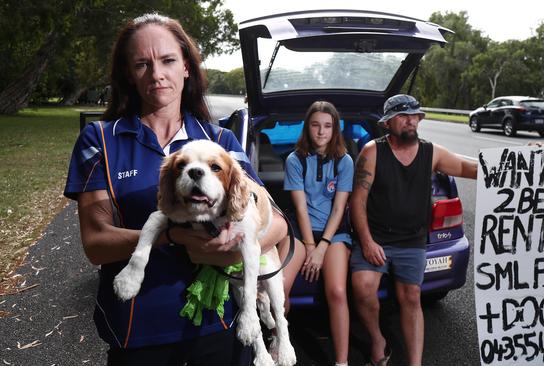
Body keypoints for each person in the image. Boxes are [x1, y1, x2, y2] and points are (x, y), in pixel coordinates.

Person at [64, 13, 287, 366]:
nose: (156, 74)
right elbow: (95, 244)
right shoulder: (101, 141)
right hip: (139, 329)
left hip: (221, 323)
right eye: (142, 64)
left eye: (168, 60)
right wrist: (174, 235)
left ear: (186, 66)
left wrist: (236, 248)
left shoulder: (221, 142)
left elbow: (275, 222)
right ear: (128, 73)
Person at [349, 94, 478, 366]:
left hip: (412, 240)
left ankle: (415, 363)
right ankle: (377, 340)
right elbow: (357, 202)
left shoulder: (433, 153)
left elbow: (472, 168)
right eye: (402, 116)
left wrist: (526, 158)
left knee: (412, 296)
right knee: (362, 288)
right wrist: (368, 243)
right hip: (377, 237)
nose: (410, 121)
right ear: (387, 123)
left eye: (414, 115)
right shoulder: (372, 152)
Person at [280, 101, 354, 366]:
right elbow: (300, 208)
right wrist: (310, 246)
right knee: (279, 288)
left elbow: (339, 209)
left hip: (334, 234)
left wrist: (322, 246)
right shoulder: (295, 159)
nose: (321, 132)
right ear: (307, 127)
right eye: (315, 125)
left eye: (327, 126)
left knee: (336, 291)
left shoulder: (344, 161)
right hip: (302, 231)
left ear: (335, 129)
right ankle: (277, 347)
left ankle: (342, 361)